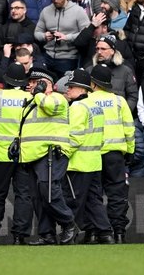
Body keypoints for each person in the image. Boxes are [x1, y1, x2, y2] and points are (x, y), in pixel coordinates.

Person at [15, 67, 76, 246]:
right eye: (31, 82)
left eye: (36, 82)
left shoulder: (57, 98)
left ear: (47, 84)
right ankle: (46, 234)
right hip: (32, 155)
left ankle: (68, 223)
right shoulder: (31, 101)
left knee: (48, 190)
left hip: (52, 152)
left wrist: (40, 93)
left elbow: (49, 107)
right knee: (38, 197)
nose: (31, 85)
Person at [62, 69, 114, 244]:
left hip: (79, 163)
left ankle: (70, 235)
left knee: (73, 202)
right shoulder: (95, 106)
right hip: (94, 161)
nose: (67, 89)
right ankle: (106, 233)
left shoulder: (77, 107)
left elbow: (75, 137)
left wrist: (63, 153)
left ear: (83, 89)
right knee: (94, 201)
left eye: (71, 86)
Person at [0, 63, 33, 245]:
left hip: (0, 154)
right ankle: (20, 236)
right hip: (24, 154)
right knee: (23, 196)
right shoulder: (30, 97)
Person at [88, 64, 135, 243]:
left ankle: (94, 233)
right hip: (115, 155)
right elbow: (129, 129)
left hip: (93, 154)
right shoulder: (119, 101)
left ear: (93, 83)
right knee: (117, 194)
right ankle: (119, 232)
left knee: (94, 195)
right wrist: (130, 151)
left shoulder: (87, 101)